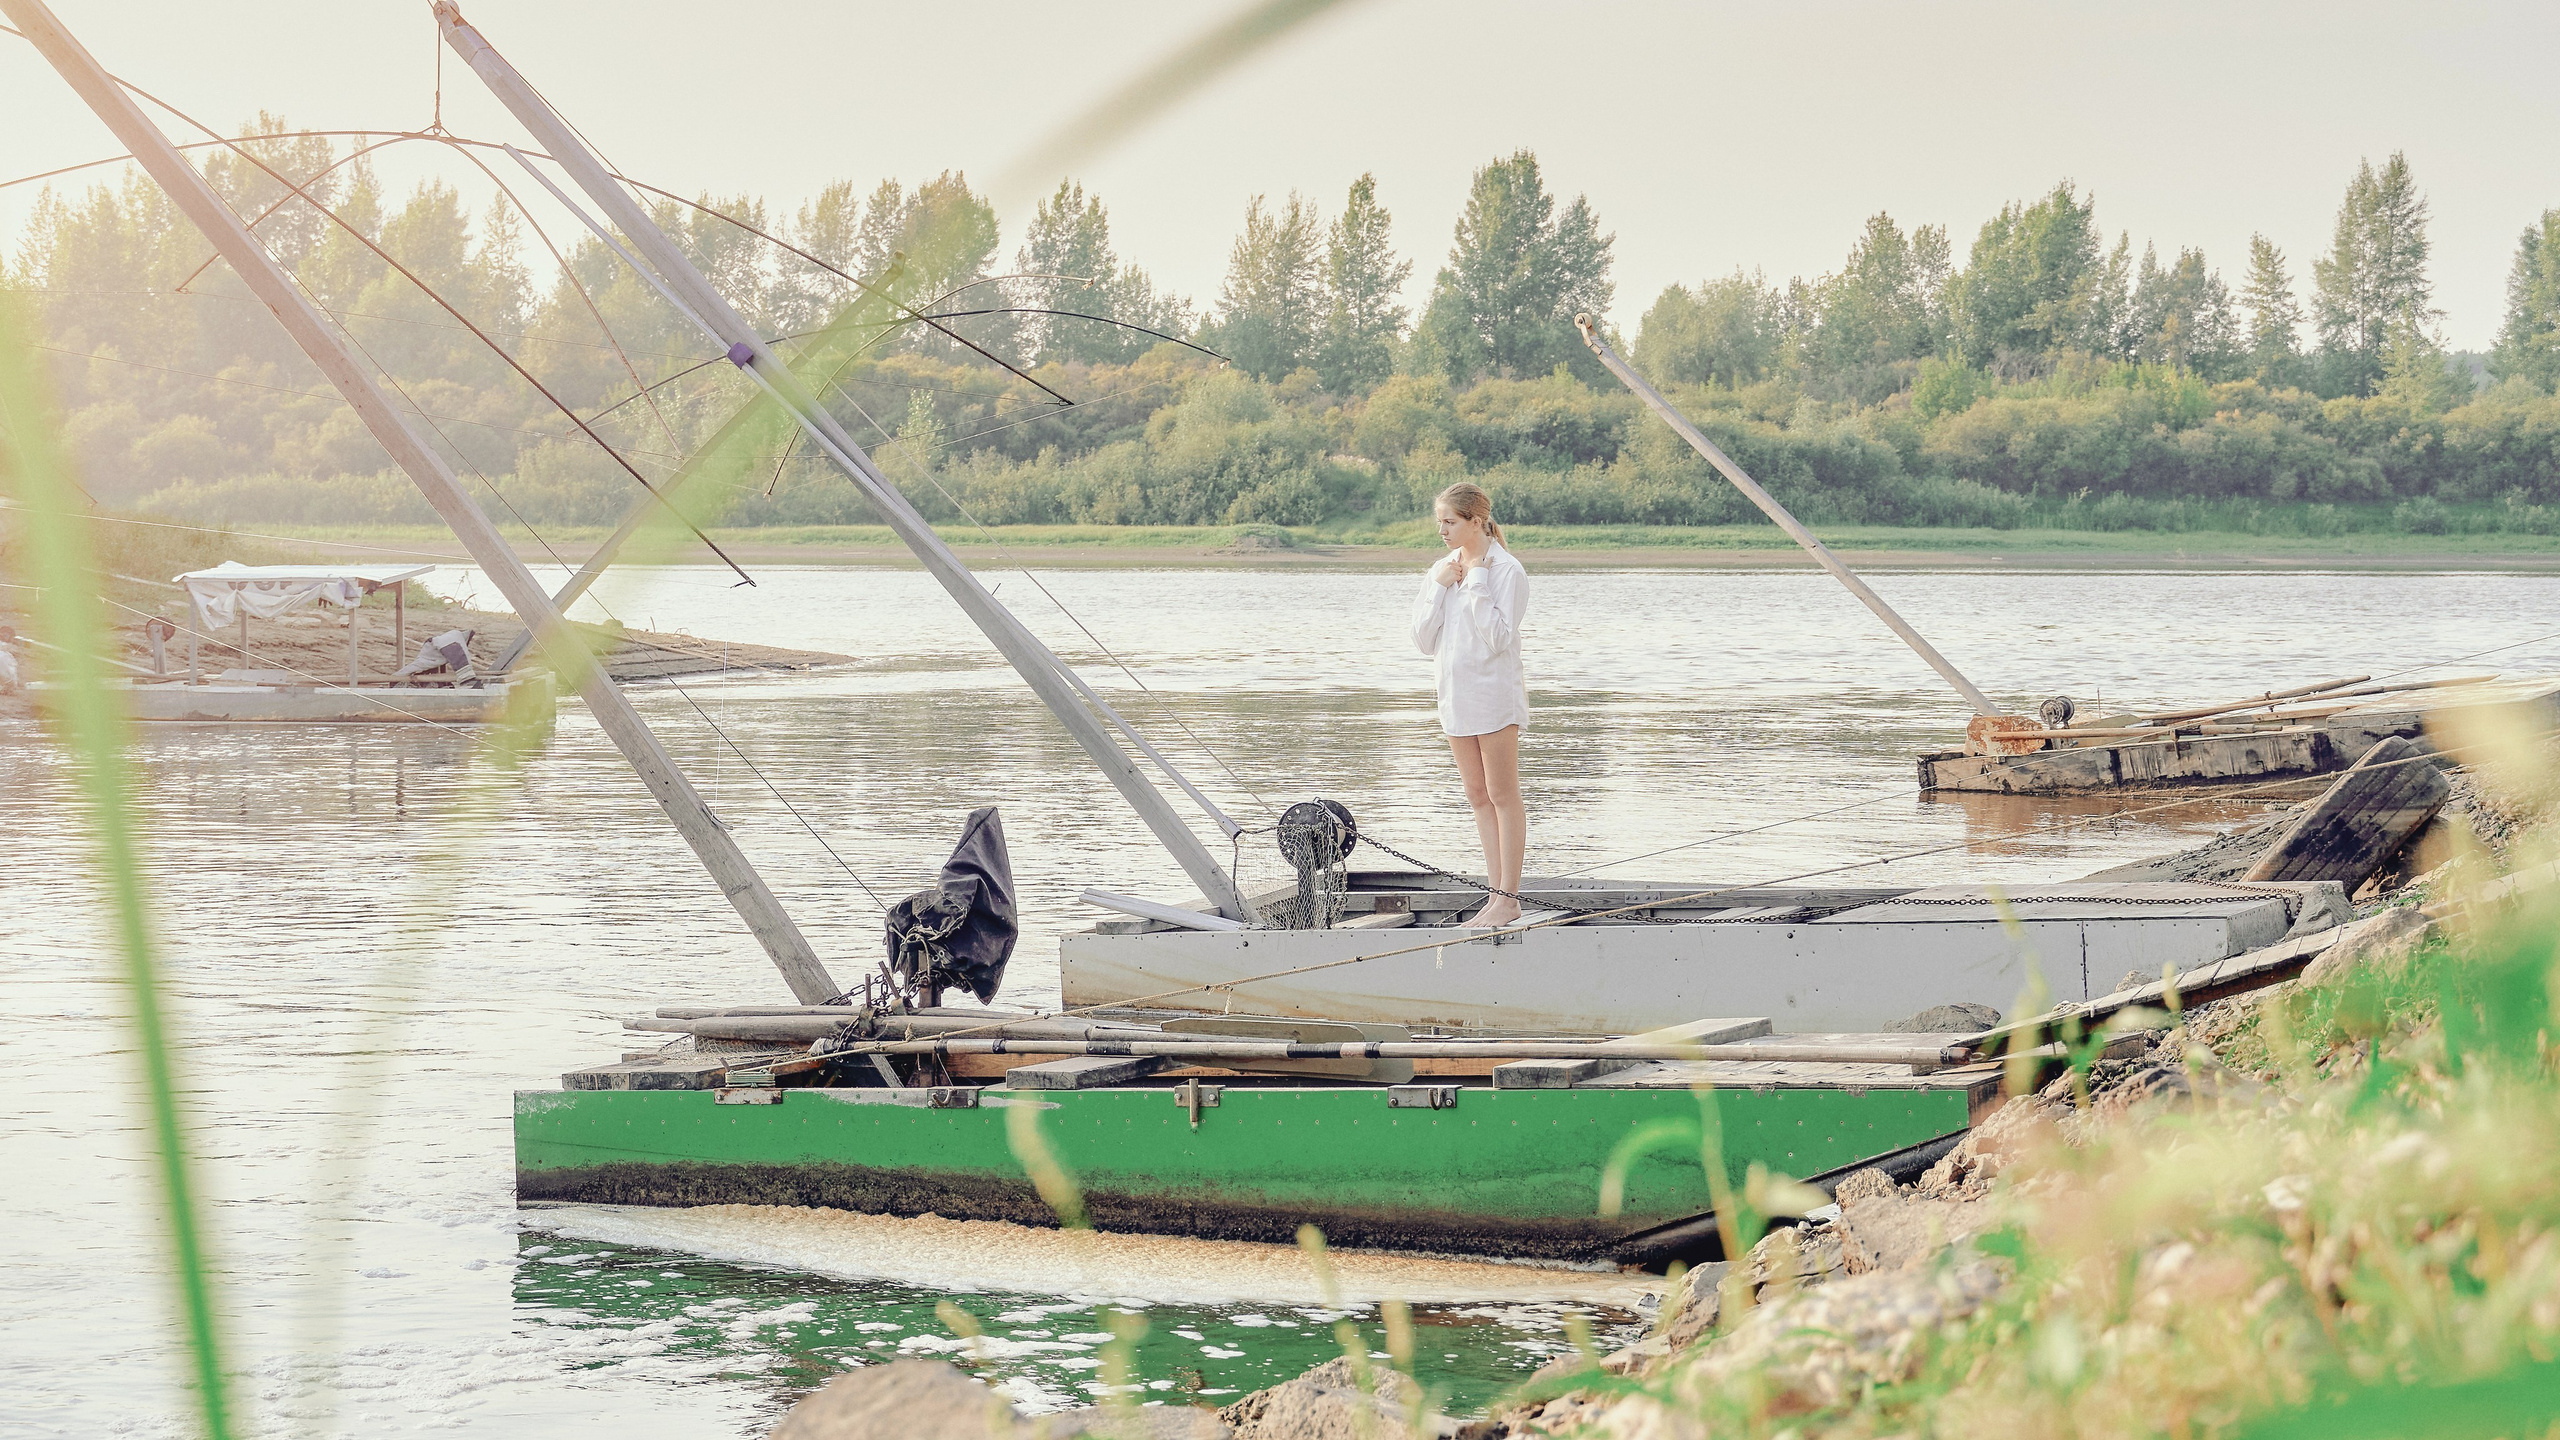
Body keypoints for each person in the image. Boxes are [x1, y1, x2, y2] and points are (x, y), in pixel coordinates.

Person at [1409, 482, 1530, 926]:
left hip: (1494, 697)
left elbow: (1498, 638)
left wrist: (1476, 577)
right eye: (1439, 521)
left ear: (1476, 521)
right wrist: (1440, 587)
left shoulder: (1507, 570)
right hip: (1455, 697)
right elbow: (1423, 640)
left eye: (1450, 521)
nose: (1442, 529)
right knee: (1478, 796)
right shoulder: (1440, 568)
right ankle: (1496, 896)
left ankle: (1508, 898)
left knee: (1502, 794)